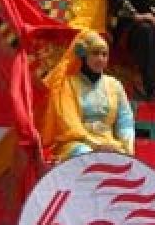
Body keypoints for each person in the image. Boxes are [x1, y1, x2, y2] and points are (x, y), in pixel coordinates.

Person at [40, 29, 135, 160]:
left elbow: (125, 120)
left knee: (124, 158)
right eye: (95, 54)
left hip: (109, 144)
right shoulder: (68, 84)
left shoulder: (115, 85)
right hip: (76, 144)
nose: (101, 59)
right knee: (85, 153)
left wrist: (127, 148)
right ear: (84, 56)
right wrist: (96, 146)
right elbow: (69, 122)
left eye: (104, 55)